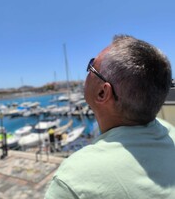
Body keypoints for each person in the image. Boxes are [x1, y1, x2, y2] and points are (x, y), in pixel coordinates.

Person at [45, 35, 175, 199]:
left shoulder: (73, 181)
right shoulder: (170, 132)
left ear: (102, 93)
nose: (88, 69)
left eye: (92, 66)